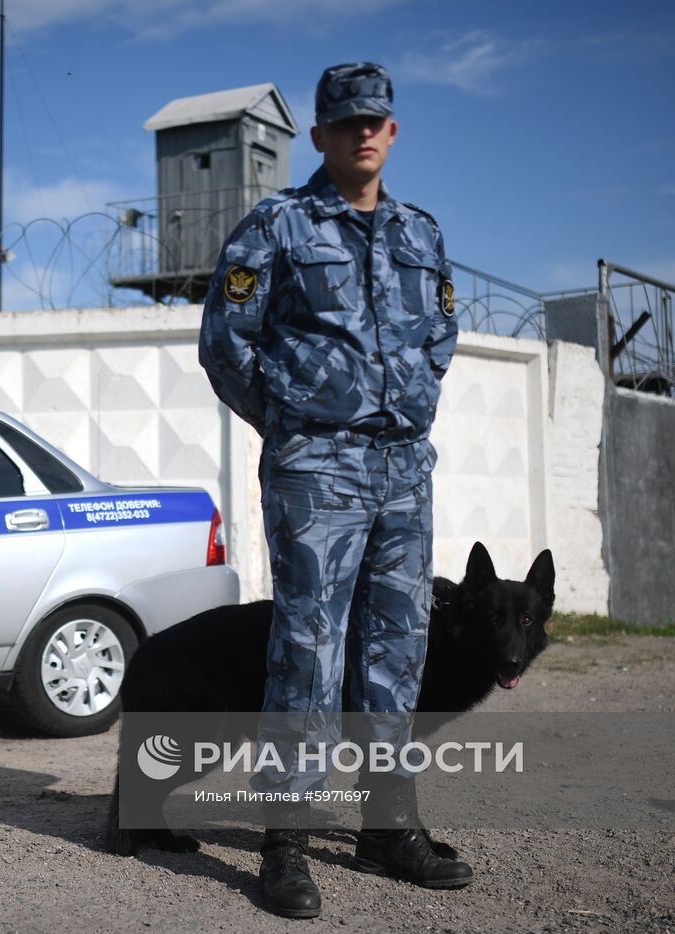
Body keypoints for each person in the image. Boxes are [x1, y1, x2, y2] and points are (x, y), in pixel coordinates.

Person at [198, 62, 468, 919]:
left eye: (376, 121)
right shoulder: (277, 226)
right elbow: (224, 341)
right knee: (309, 645)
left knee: (397, 648)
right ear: (317, 135)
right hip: (319, 470)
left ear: (393, 132)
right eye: (345, 121)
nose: (362, 132)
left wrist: (412, 402)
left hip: (403, 471)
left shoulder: (421, 234)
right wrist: (290, 426)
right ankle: (284, 839)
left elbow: (441, 335)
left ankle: (388, 826)